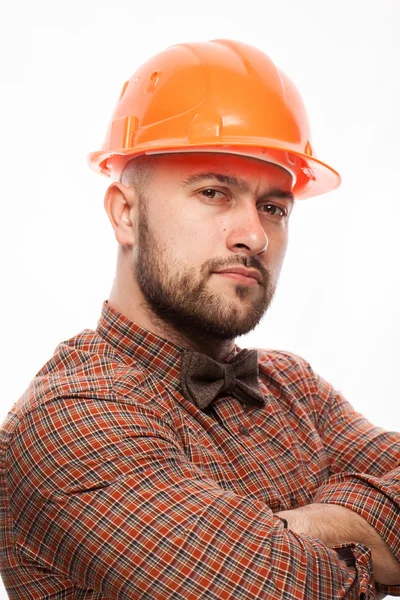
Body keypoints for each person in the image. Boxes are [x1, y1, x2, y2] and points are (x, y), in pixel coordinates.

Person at [0, 39, 399, 600]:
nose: (254, 235)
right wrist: (371, 543)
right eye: (214, 192)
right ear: (125, 213)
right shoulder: (68, 418)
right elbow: (270, 591)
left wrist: (302, 531)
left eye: (274, 207)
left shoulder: (296, 388)